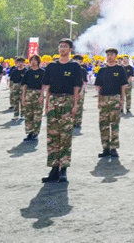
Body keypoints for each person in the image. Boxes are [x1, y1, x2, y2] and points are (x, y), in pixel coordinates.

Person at [41, 39, 83, 183]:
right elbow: (48, 87)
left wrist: (75, 105)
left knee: (65, 136)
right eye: (60, 46)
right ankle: (53, 169)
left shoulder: (74, 66)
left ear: (70, 49)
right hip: (53, 100)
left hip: (67, 100)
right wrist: (46, 105)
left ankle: (63, 169)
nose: (62, 48)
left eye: (65, 46)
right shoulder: (52, 66)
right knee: (52, 136)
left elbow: (76, 88)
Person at [96, 48, 128, 158]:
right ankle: (105, 148)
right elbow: (99, 87)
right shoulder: (102, 70)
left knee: (114, 124)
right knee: (103, 124)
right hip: (104, 98)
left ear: (116, 56)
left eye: (112, 54)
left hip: (115, 98)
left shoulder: (120, 69)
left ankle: (114, 148)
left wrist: (122, 100)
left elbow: (123, 86)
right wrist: (99, 101)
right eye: (108, 54)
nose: (110, 56)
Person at [21, 55, 45, 141]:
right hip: (29, 94)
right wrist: (23, 97)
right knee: (28, 114)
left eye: (35, 60)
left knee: (37, 115)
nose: (33, 62)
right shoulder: (27, 72)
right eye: (31, 60)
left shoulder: (42, 72)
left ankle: (35, 133)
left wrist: (41, 96)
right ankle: (29, 132)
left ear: (38, 61)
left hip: (38, 94)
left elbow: (43, 85)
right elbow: (25, 85)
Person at [72, 54, 88, 129]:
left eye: (78, 60)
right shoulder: (71, 69)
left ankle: (78, 121)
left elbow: (84, 81)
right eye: (75, 60)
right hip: (71, 89)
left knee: (79, 106)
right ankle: (71, 120)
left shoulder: (83, 70)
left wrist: (82, 91)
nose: (76, 61)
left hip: (80, 88)